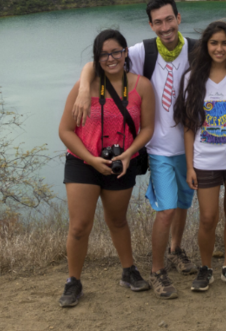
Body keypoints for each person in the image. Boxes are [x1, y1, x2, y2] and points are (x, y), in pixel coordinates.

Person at [73, 0, 199, 299]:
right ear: (151, 24)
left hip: (192, 145)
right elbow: (99, 61)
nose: (165, 27)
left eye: (169, 20)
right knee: (166, 209)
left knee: (182, 203)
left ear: (179, 19)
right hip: (158, 148)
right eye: (158, 22)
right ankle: (157, 271)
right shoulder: (145, 52)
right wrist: (81, 90)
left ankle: (176, 249)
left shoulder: (196, 50)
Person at [57, 29, 156, 308]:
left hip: (119, 163)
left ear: (126, 53)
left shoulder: (141, 87)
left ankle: (129, 270)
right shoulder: (83, 88)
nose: (110, 58)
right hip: (83, 162)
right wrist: (89, 159)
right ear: (96, 58)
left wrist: (128, 155)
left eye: (116, 52)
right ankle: (73, 281)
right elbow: (65, 131)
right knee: (79, 226)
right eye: (103, 54)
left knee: (118, 220)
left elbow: (148, 128)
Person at [174, 21, 226, 292]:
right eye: (214, 43)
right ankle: (206, 267)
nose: (219, 48)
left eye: (225, 43)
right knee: (208, 217)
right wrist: (190, 166)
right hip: (205, 160)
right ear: (205, 46)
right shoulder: (192, 78)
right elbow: (189, 126)